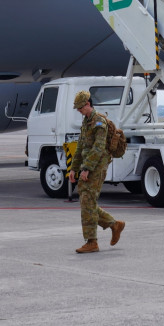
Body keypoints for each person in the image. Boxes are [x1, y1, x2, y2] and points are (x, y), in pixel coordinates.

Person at [68, 90, 125, 253]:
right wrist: (73, 168)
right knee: (87, 201)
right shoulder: (86, 122)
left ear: (88, 104)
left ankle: (92, 242)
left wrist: (86, 168)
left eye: (80, 108)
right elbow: (80, 147)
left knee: (88, 200)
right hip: (88, 164)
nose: (79, 111)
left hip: (97, 166)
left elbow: (98, 148)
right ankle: (114, 225)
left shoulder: (100, 122)